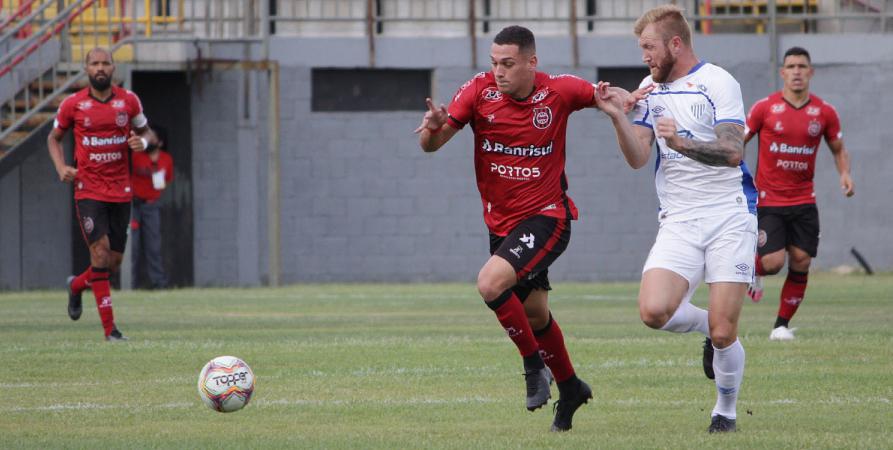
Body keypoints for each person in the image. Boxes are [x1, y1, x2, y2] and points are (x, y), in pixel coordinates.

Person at [414, 25, 639, 432]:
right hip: (502, 225)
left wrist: (626, 97)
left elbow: (604, 95)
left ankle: (534, 367)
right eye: (494, 63)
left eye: (508, 64)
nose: (498, 72)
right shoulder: (478, 92)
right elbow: (432, 145)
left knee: (489, 284)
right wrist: (432, 127)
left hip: (547, 217)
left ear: (531, 63)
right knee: (535, 315)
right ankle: (571, 388)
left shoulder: (559, 91)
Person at [596, 5, 756, 433]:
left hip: (728, 215)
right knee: (654, 311)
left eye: (649, 47)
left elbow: (733, 152)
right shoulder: (648, 88)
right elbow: (638, 157)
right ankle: (710, 326)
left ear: (675, 44)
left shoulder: (718, 82)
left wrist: (682, 143)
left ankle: (725, 412)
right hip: (679, 219)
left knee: (725, 333)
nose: (644, 56)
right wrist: (618, 117)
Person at [744, 46, 854, 341]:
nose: (796, 72)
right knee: (772, 263)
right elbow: (739, 140)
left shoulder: (825, 112)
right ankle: (751, 269)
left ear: (810, 72)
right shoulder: (764, 108)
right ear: (782, 72)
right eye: (791, 66)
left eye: (802, 66)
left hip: (804, 199)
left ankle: (780, 326)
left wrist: (845, 173)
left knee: (802, 259)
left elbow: (838, 149)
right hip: (769, 199)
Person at [47, 47, 156, 341]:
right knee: (100, 252)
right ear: (86, 69)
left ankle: (76, 286)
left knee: (112, 262)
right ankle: (111, 331)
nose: (100, 68)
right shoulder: (73, 104)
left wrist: (143, 144)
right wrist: (61, 167)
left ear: (113, 68)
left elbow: (148, 133)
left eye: (105, 63)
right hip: (88, 189)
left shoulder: (128, 101)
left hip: (120, 190)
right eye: (94, 63)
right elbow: (53, 138)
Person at [131, 124, 174, 290]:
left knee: (153, 245)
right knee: (132, 246)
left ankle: (158, 282)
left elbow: (167, 180)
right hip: (134, 206)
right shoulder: (136, 155)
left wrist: (155, 191)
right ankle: (129, 283)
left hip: (151, 206)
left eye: (152, 138)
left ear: (160, 142)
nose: (148, 141)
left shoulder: (166, 159)